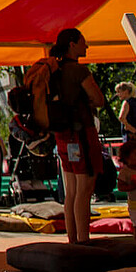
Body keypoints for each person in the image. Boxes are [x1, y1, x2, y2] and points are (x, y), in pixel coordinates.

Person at [47, 28, 107, 245]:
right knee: (85, 187)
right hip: (82, 132)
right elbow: (98, 99)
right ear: (72, 44)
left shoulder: (56, 70)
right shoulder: (78, 71)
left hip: (63, 134)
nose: (87, 46)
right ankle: (83, 240)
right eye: (83, 41)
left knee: (71, 189)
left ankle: (73, 239)